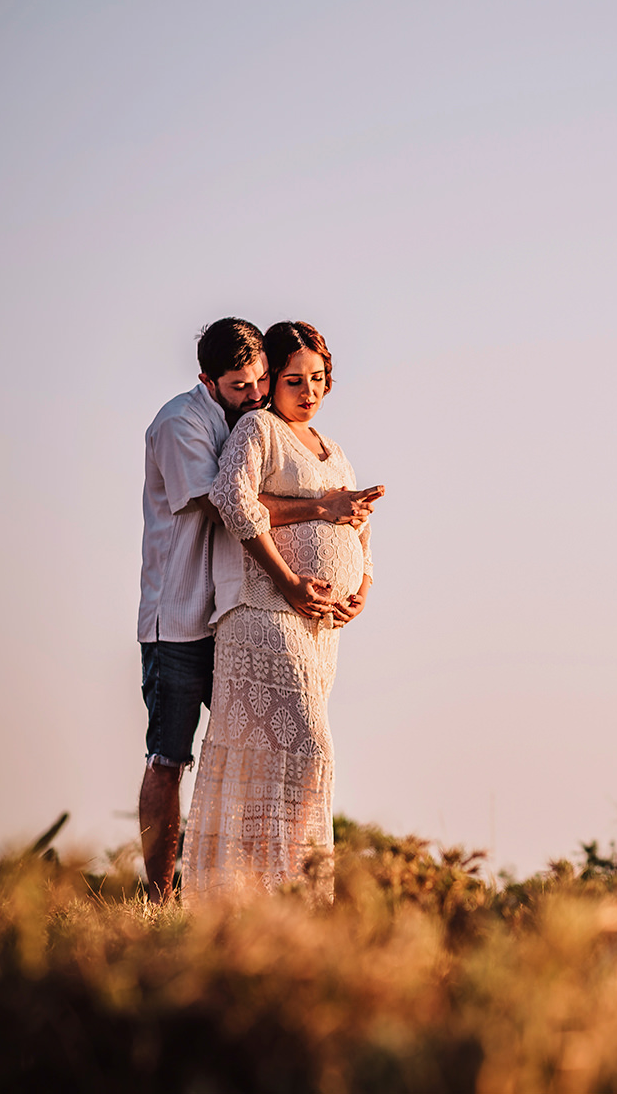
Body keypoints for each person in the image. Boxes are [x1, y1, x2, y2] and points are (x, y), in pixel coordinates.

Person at [137, 319, 380, 904]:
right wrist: (321, 512)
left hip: (265, 613)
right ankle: (161, 895)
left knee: (261, 754)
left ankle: (264, 894)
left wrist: (359, 577)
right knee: (172, 756)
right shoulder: (187, 424)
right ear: (208, 379)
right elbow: (227, 505)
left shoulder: (284, 429)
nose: (255, 392)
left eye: (261, 381)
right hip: (183, 612)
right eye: (243, 384)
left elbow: (356, 526)